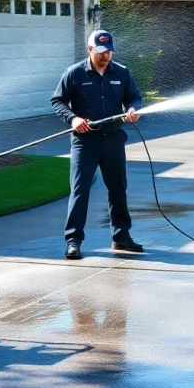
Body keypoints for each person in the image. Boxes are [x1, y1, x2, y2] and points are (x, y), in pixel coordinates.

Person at [51, 30, 143, 260]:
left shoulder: (121, 72)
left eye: (109, 51)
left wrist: (132, 109)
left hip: (113, 139)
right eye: (101, 51)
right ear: (90, 49)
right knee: (80, 190)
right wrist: (73, 118)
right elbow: (58, 101)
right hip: (85, 141)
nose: (105, 56)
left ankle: (121, 237)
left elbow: (134, 97)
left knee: (118, 189)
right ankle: (73, 241)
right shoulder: (75, 73)